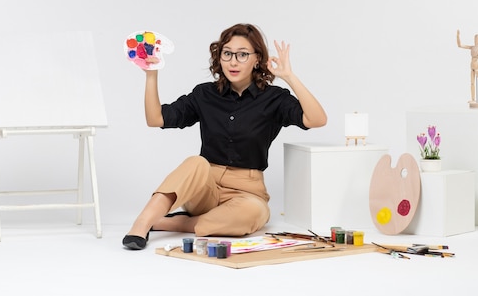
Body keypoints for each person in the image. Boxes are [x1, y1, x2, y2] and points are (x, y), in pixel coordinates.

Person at [122, 23, 328, 250]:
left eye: (242, 55)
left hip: (246, 192)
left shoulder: (274, 99)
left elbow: (317, 119)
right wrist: (152, 76)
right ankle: (141, 224)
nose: (233, 61)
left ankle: (169, 222)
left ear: (257, 59)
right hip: (204, 187)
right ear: (219, 57)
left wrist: (289, 77)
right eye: (227, 53)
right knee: (195, 162)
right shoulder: (204, 94)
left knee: (254, 214)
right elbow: (156, 119)